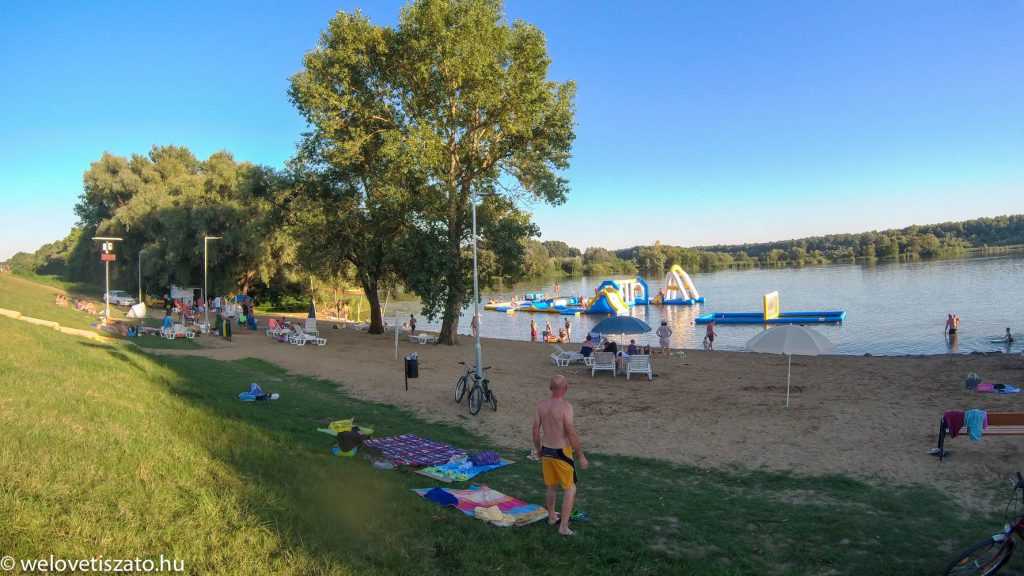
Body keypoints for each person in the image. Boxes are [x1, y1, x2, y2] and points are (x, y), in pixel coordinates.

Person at [532, 375, 588, 536]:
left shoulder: (541, 405)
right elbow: (570, 432)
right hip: (561, 452)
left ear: (550, 388)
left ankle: (551, 516)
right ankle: (563, 526)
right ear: (566, 388)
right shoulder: (566, 407)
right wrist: (581, 455)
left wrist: (539, 450)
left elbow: (535, 431)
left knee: (551, 486)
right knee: (570, 488)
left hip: (547, 449)